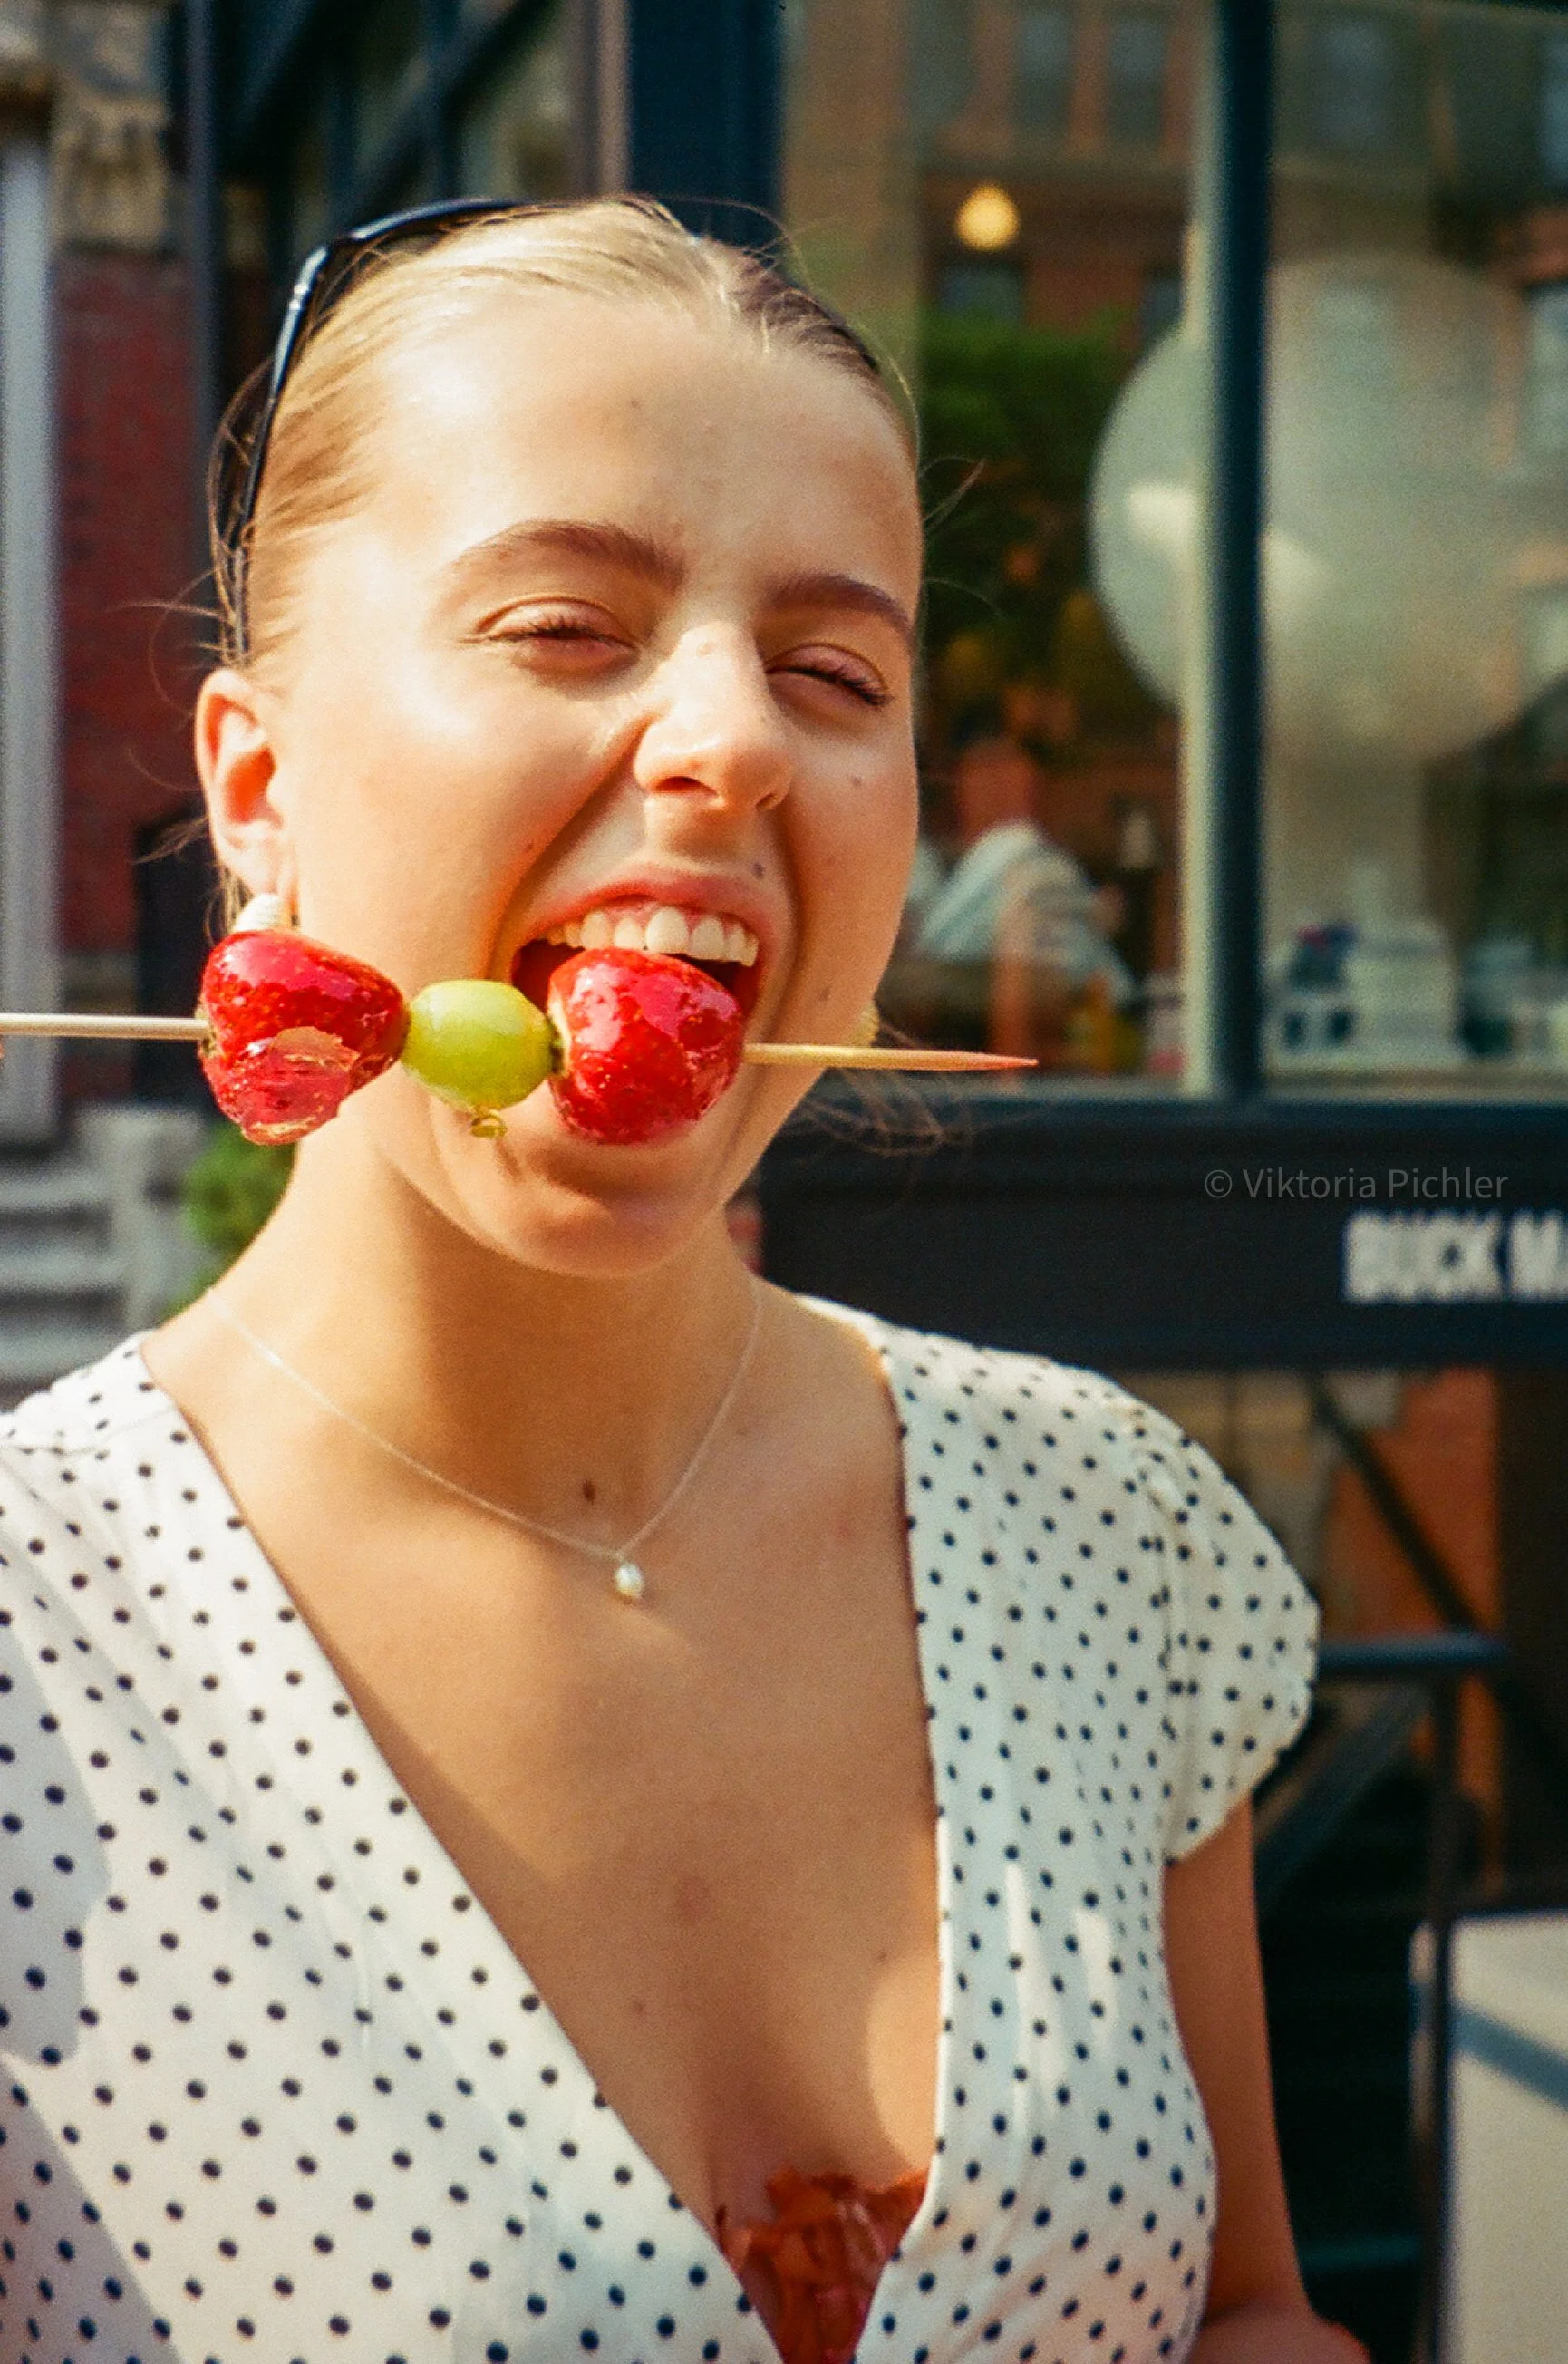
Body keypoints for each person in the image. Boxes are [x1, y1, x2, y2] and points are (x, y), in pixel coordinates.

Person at [0, 199, 1365, 2364]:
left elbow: (1249, 2312)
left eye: (837, 675)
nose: (733, 742)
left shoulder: (1107, 1526)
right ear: (256, 786)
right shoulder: (36, 1652)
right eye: (565, 626)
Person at [909, 732, 1130, 1063]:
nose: (1000, 789)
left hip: (1046, 991)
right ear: (962, 790)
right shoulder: (932, 861)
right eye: (987, 778)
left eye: (1014, 780)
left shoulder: (1022, 856)